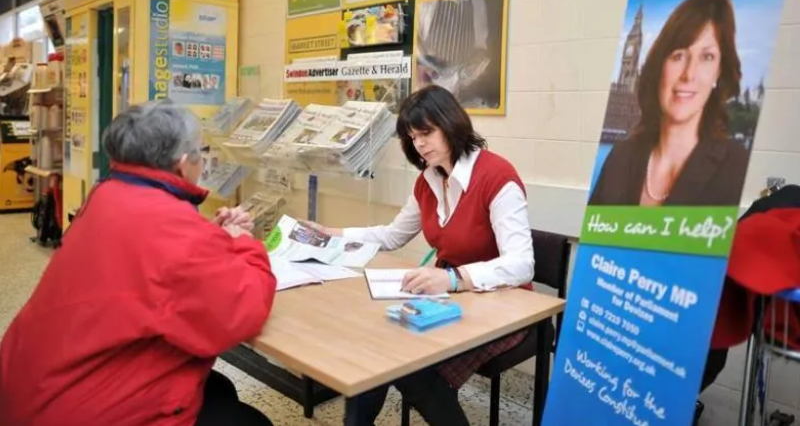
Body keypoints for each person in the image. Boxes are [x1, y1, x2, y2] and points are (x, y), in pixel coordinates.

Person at [0, 101, 276, 426]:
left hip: (36, 390)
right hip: (82, 409)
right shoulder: (168, 225)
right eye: (201, 152)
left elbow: (148, 262)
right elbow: (242, 311)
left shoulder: (108, 194)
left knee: (220, 389)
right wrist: (245, 243)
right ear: (184, 162)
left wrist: (210, 238)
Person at [311, 85, 537, 425]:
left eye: (426, 132)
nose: (419, 144)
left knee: (413, 370)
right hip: (448, 297)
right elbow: (392, 235)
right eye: (413, 137)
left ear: (451, 124)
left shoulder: (496, 177)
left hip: (503, 305)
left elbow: (522, 265)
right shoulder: (428, 180)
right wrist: (336, 234)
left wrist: (450, 278)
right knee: (378, 351)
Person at [589, 0, 749, 207]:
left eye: (706, 57)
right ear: (660, 65)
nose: (688, 74)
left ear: (719, 72)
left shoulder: (736, 166)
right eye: (678, 56)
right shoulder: (620, 157)